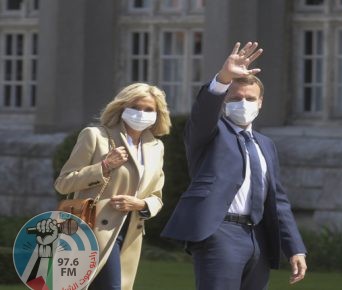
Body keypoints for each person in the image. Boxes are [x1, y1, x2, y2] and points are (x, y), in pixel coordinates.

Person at [161, 42, 307, 290]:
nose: (244, 103)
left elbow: (278, 201)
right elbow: (203, 113)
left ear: (260, 103)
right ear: (225, 102)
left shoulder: (266, 144)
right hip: (220, 231)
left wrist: (295, 248)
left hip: (258, 236)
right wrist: (223, 79)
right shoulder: (210, 133)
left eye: (250, 99)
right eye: (236, 98)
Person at [55, 83, 171, 290]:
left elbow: (157, 196)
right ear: (121, 108)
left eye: (148, 110)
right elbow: (64, 183)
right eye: (135, 107)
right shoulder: (95, 136)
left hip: (130, 232)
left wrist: (141, 203)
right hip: (93, 228)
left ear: (158, 114)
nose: (141, 113)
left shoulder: (156, 147)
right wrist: (104, 166)